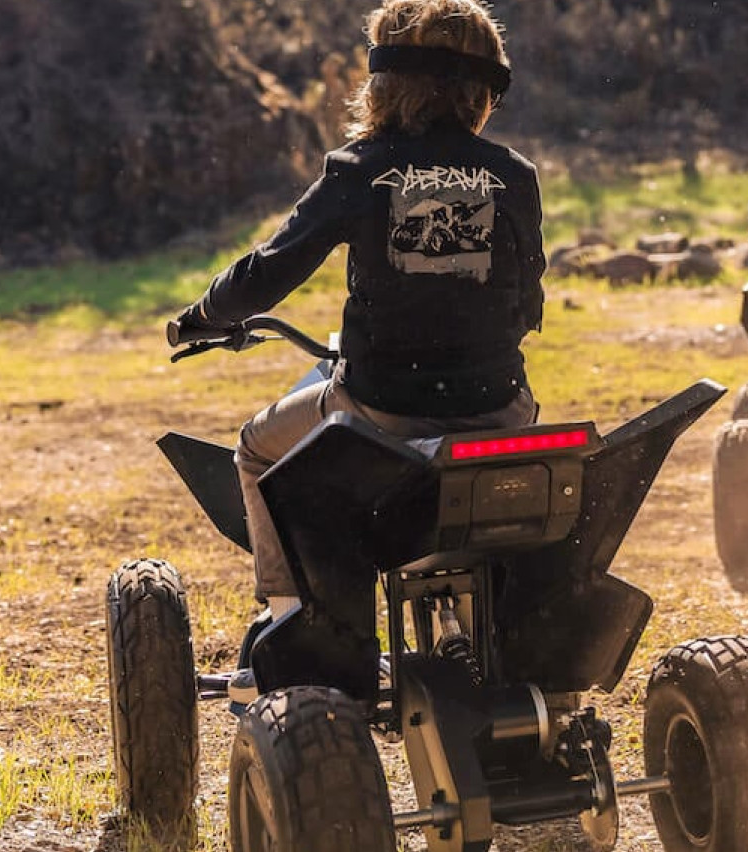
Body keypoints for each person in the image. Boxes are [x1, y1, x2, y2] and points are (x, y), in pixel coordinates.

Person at [171, 0, 545, 701]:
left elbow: (269, 270)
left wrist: (202, 313)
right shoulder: (514, 175)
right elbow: (530, 305)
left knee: (255, 449)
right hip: (499, 412)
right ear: (483, 89)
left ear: (385, 81)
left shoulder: (360, 167)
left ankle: (291, 623)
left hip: (381, 413)